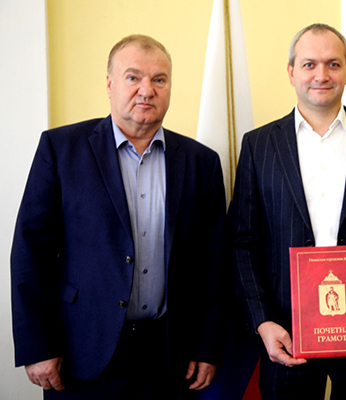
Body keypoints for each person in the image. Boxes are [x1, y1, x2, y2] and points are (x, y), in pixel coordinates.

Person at [11, 34, 226, 399]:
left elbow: (212, 263)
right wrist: (37, 346)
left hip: (168, 355)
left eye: (159, 79)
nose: (147, 90)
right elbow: (30, 253)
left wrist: (207, 346)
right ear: (109, 84)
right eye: (133, 77)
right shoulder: (60, 150)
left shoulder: (201, 162)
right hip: (81, 351)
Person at [228, 23, 346, 399]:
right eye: (309, 64)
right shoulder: (258, 145)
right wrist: (262, 321)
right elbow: (242, 242)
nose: (321, 75)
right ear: (291, 72)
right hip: (285, 334)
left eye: (333, 64)